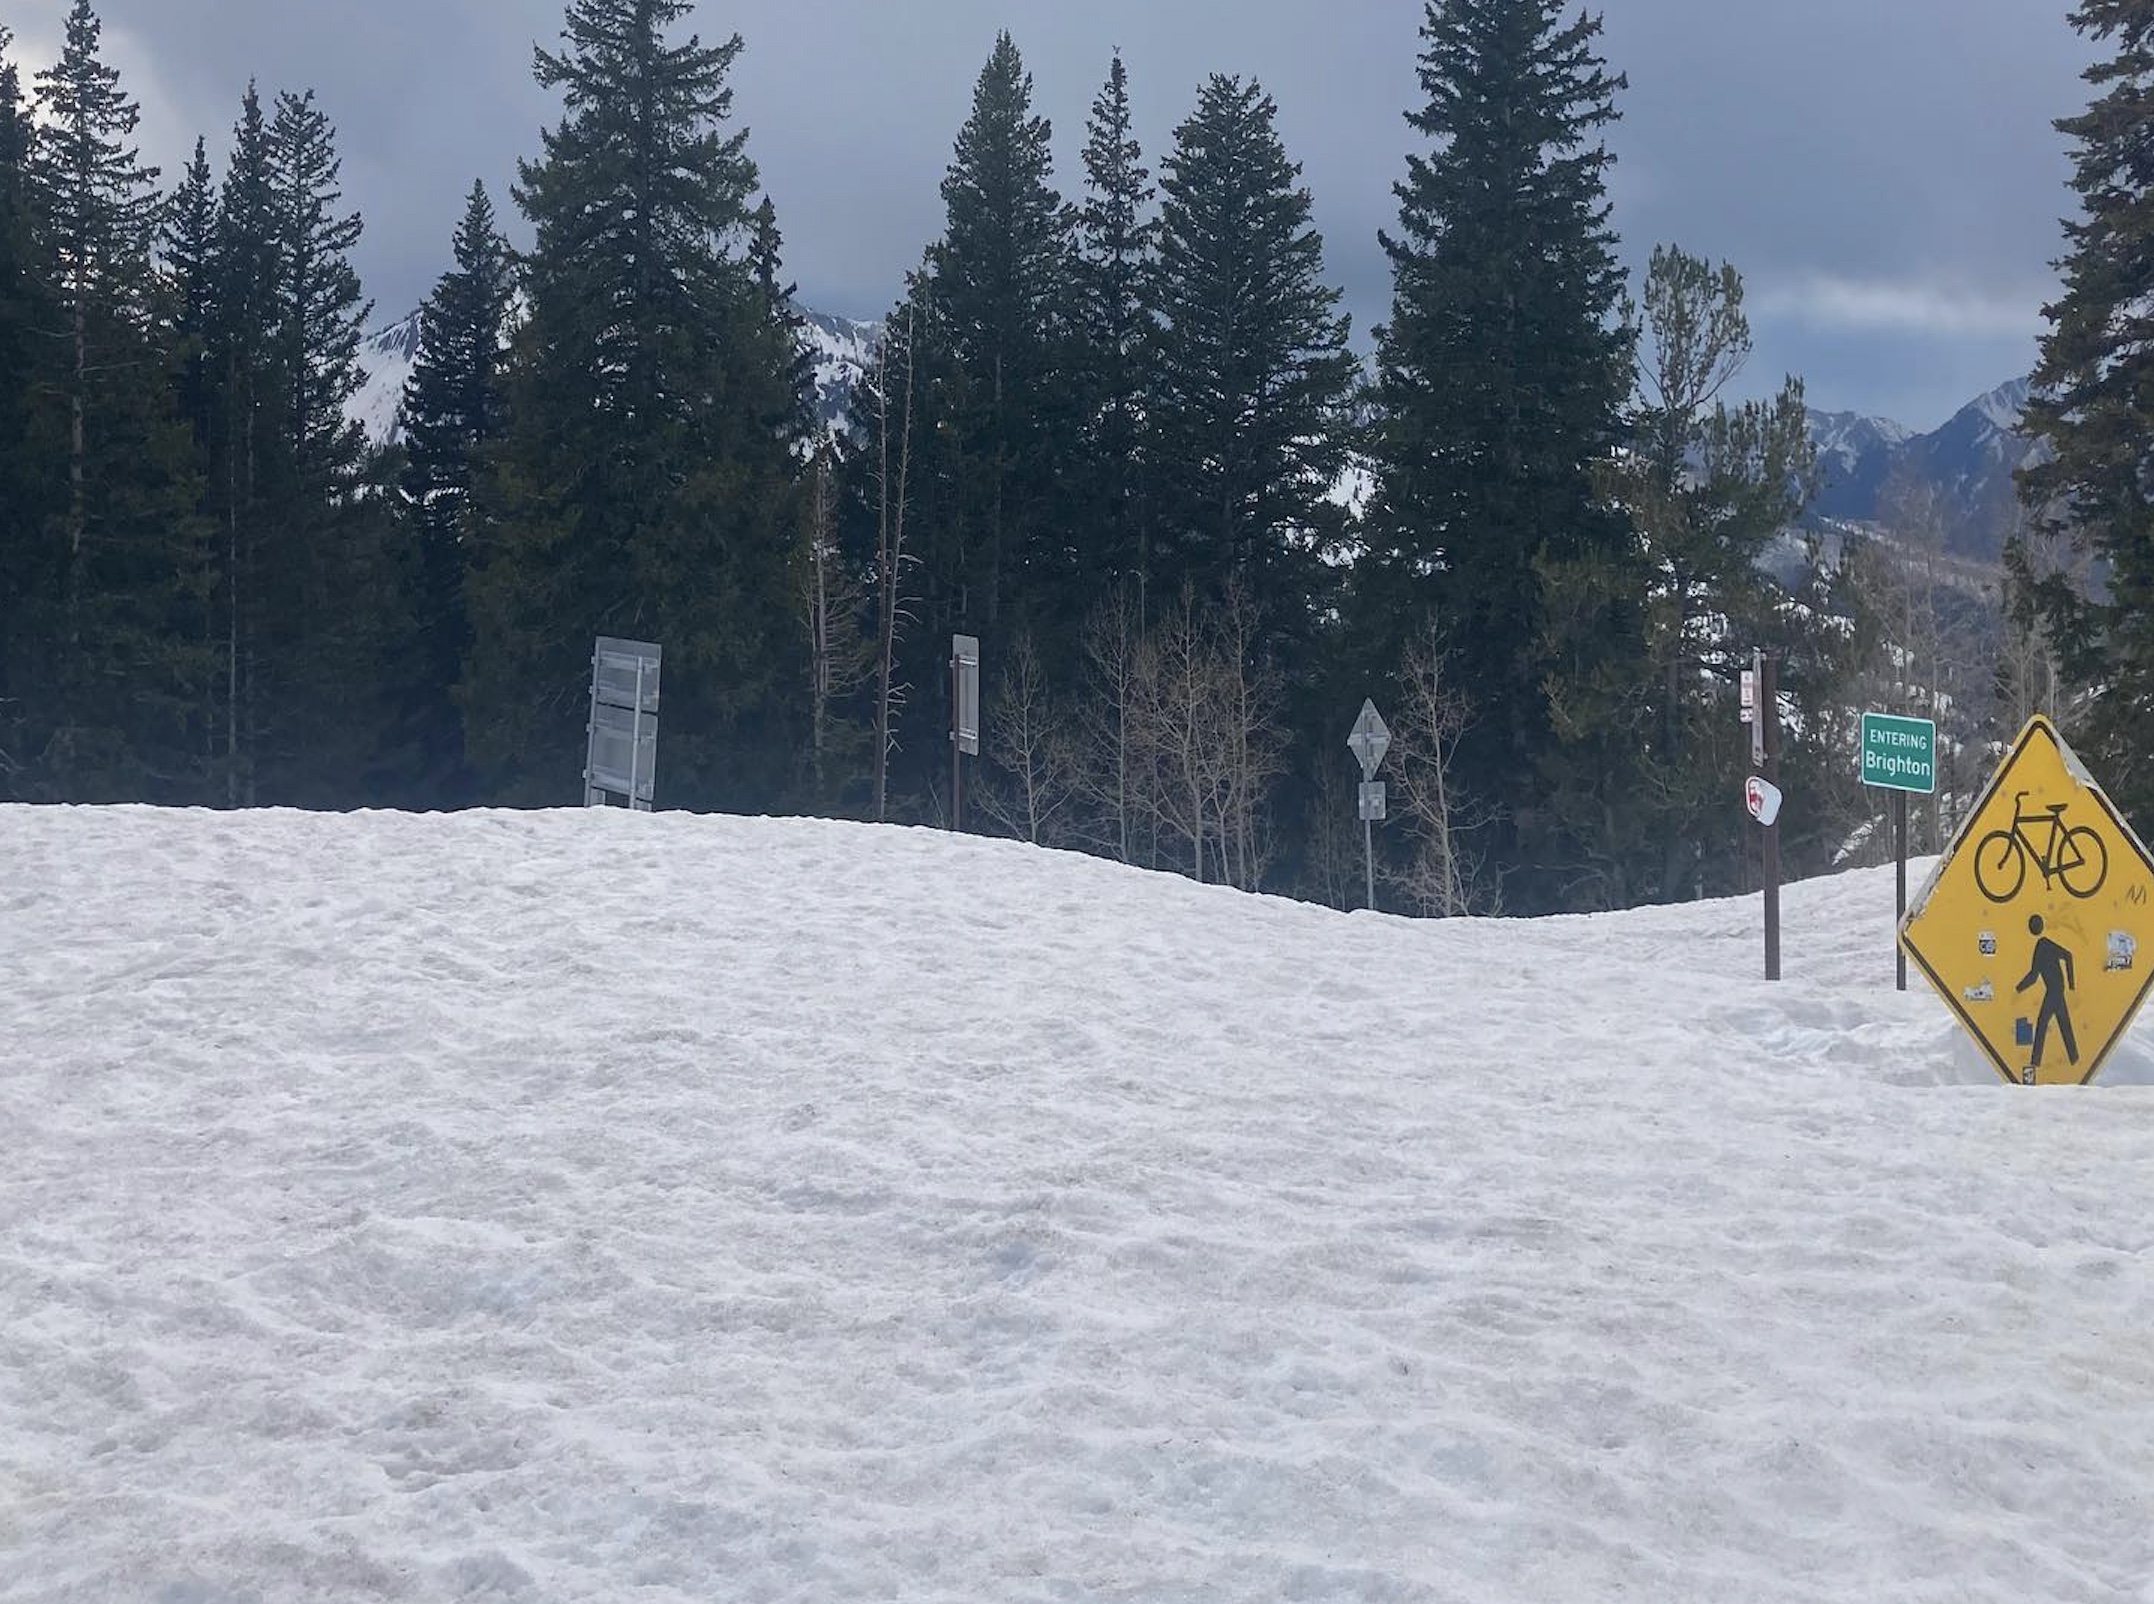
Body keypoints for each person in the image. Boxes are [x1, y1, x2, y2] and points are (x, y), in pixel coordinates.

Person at [2015, 914, 2079, 1073]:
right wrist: (2018, 988)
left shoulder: (2044, 944)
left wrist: (2071, 984)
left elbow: (2068, 955)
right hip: (2055, 990)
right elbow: (2034, 976)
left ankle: (2035, 1061)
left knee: (2042, 1023)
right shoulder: (2040, 946)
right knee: (2064, 1024)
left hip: (2054, 991)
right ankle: (2074, 1058)